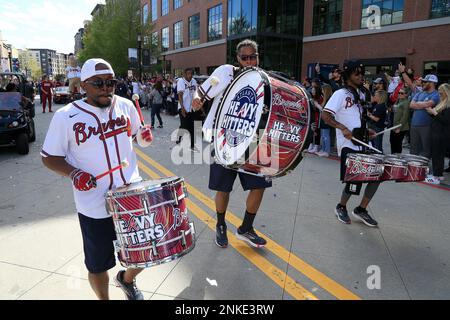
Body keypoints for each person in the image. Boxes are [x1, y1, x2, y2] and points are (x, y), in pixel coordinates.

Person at [40, 58, 153, 300]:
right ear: (83, 86)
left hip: (131, 196)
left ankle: (126, 279)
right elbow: (49, 157)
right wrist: (74, 173)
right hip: (94, 205)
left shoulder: (125, 106)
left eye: (111, 82)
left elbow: (137, 138)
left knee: (147, 252)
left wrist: (143, 137)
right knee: (98, 265)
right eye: (98, 83)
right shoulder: (65, 117)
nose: (106, 88)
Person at [192, 39, 271, 248]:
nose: (249, 61)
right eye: (244, 57)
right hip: (224, 138)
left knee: (260, 185)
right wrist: (197, 98)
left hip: (253, 141)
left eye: (253, 56)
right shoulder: (226, 72)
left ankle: (246, 227)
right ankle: (220, 224)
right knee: (223, 188)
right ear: (238, 59)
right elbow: (202, 91)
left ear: (258, 56)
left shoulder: (264, 80)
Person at [322, 59, 380, 228]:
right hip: (347, 144)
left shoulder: (361, 94)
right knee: (355, 178)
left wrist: (366, 131)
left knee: (377, 174)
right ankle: (341, 206)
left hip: (361, 142)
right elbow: (326, 115)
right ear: (348, 75)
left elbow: (358, 118)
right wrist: (342, 128)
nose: (361, 76)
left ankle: (361, 209)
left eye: (362, 73)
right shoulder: (340, 94)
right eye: (357, 73)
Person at [409, 74, 440, 159]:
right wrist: (422, 105)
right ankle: (413, 169)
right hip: (414, 124)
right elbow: (411, 105)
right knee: (413, 148)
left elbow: (429, 104)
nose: (423, 83)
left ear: (432, 83)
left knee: (425, 149)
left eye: (425, 82)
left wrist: (418, 104)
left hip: (426, 125)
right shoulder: (420, 93)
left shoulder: (436, 94)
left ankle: (423, 170)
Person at [425, 83, 450, 184]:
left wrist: (434, 112)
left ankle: (437, 176)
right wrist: (431, 112)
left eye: (441, 91)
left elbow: (446, 120)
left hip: (441, 134)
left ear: (446, 92)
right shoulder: (442, 102)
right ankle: (438, 175)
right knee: (437, 155)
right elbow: (437, 118)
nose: (439, 92)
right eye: (439, 90)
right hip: (436, 132)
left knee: (438, 155)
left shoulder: (448, 105)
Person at [177, 68, 198, 151]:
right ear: (184, 74)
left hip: (192, 108)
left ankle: (192, 145)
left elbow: (196, 93)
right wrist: (182, 108)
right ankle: (179, 137)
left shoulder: (194, 81)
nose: (190, 75)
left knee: (193, 126)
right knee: (184, 126)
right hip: (183, 107)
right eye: (188, 74)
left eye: (191, 73)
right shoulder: (181, 82)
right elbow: (180, 95)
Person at [390, 88, 411, 154]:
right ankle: (393, 157)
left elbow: (405, 116)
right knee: (392, 142)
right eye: (399, 93)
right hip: (394, 125)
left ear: (406, 95)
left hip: (401, 127)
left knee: (397, 144)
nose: (399, 94)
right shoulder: (398, 101)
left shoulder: (406, 102)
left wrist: (399, 127)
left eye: (402, 93)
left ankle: (397, 159)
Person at [317, 84, 333, 157]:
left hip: (326, 119)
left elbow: (326, 110)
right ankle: (323, 150)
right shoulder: (325, 99)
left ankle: (327, 151)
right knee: (323, 135)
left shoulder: (329, 99)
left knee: (326, 136)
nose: (322, 91)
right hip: (323, 118)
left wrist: (318, 105)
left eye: (323, 90)